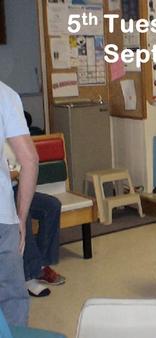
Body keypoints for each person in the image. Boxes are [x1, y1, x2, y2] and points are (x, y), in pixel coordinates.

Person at [0, 80, 39, 325]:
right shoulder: (4, 94)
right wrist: (21, 218)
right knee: (12, 299)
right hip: (3, 218)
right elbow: (30, 161)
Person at [6, 138, 66, 297]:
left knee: (52, 206)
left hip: (15, 188)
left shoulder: (11, 137)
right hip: (3, 195)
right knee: (23, 215)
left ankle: (42, 264)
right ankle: (29, 276)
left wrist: (17, 172)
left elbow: (22, 165)